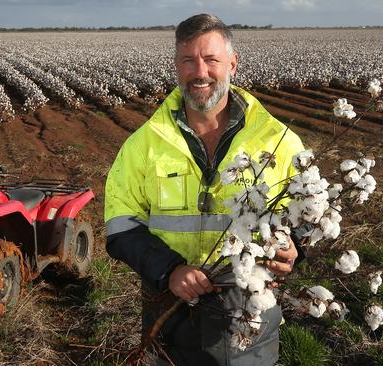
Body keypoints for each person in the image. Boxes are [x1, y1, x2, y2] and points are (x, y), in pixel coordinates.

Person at [104, 13, 305, 366]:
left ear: (232, 64)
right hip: (169, 316)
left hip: (249, 320)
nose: (200, 72)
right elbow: (121, 225)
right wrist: (170, 270)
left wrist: (296, 248)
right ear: (176, 66)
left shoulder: (278, 142)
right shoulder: (144, 145)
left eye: (211, 60)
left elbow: (308, 211)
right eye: (188, 60)